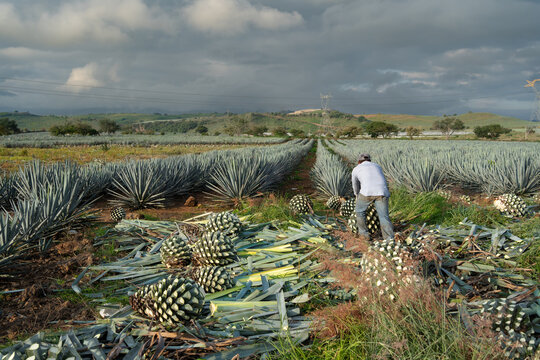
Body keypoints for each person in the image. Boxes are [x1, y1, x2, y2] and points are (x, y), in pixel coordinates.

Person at [351, 153, 394, 240]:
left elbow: (355, 185)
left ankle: (364, 235)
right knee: (383, 216)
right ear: (369, 160)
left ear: (359, 162)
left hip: (366, 192)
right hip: (382, 192)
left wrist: (356, 195)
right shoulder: (377, 166)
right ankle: (389, 238)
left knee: (359, 211)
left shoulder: (356, 169)